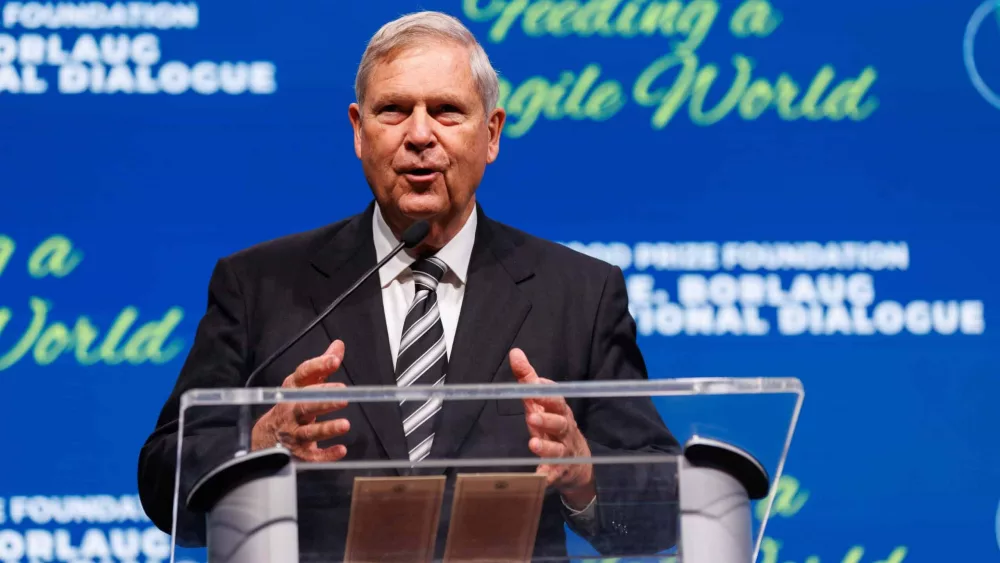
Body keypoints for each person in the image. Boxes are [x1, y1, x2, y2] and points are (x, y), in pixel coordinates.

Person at [137, 10, 680, 560]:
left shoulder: (578, 295)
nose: (420, 135)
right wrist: (260, 445)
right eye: (394, 110)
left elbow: (661, 506)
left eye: (446, 111)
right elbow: (163, 481)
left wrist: (584, 472)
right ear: (358, 129)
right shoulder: (259, 286)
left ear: (491, 134)